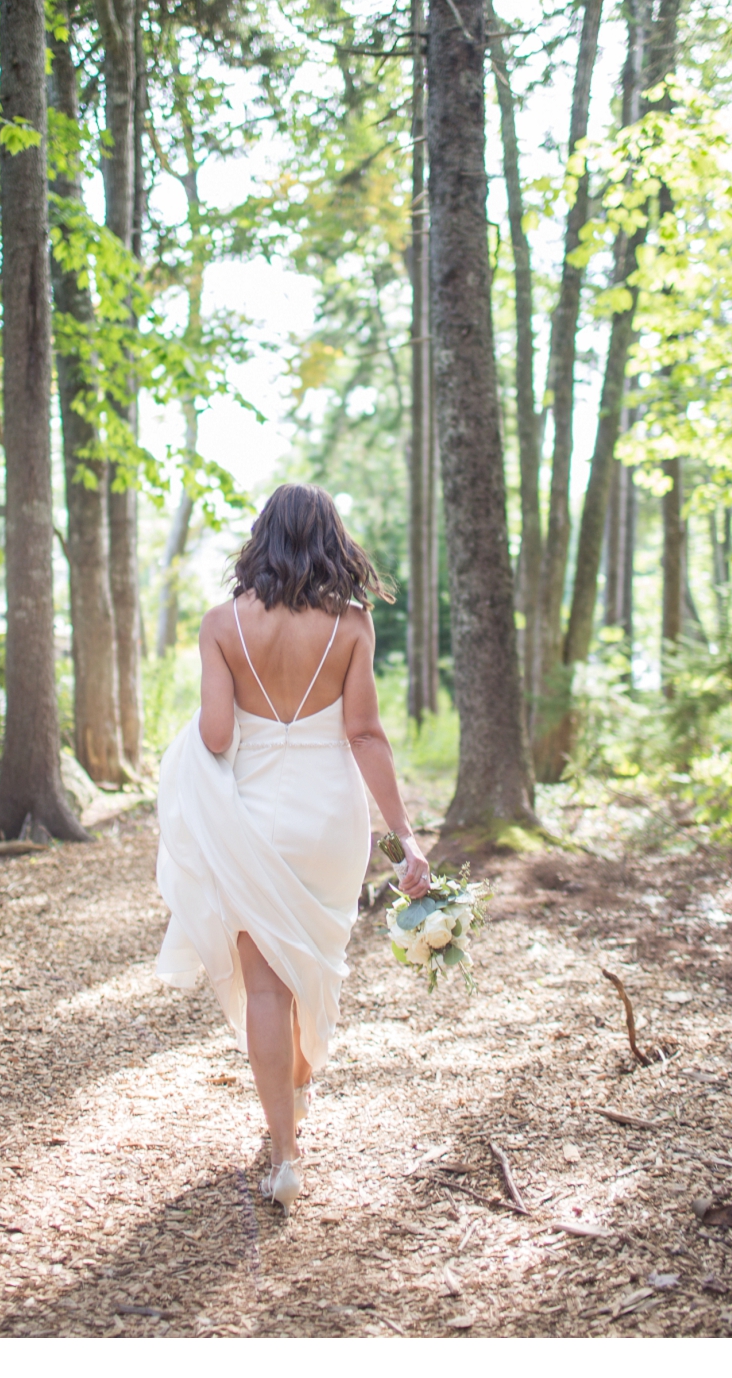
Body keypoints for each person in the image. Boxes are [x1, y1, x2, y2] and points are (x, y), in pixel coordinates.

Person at [152, 483, 429, 1210]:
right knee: (314, 961)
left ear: (261, 538)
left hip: (248, 816)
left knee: (266, 985)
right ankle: (298, 1086)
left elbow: (215, 737)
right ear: (329, 539)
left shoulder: (219, 624)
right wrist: (405, 839)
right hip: (328, 817)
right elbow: (364, 734)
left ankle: (283, 1155)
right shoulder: (352, 625)